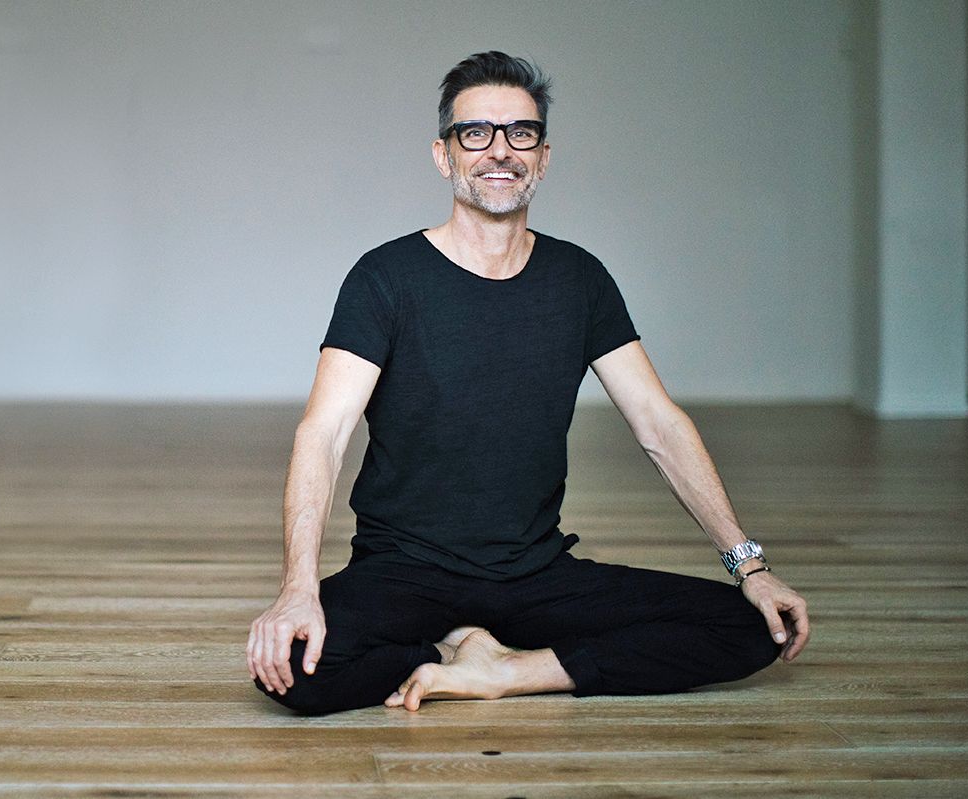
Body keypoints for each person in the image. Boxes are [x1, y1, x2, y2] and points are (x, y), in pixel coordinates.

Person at [246, 51, 810, 715]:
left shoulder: (579, 279)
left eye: (520, 133)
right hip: (405, 573)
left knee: (755, 624)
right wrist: (298, 588)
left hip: (535, 575)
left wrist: (750, 566)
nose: (499, 150)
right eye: (475, 133)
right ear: (443, 156)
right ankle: (452, 645)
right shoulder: (385, 278)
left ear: (542, 157)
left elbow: (659, 423)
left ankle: (509, 670)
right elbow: (324, 431)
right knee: (291, 670)